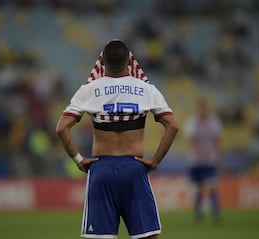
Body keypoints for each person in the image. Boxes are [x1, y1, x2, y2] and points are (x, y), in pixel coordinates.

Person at [56, 40, 178, 239]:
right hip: (134, 167)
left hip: (101, 168)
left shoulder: (88, 90)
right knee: (148, 236)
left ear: (102, 62)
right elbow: (173, 125)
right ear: (129, 61)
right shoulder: (146, 89)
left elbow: (61, 128)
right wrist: (155, 160)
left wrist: (79, 160)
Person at [183, 98, 222, 223]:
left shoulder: (214, 122)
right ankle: (198, 214)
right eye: (201, 108)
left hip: (210, 160)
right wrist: (200, 152)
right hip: (196, 161)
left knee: (211, 186)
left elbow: (217, 141)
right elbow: (190, 140)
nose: (202, 111)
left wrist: (219, 157)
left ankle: (216, 214)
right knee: (198, 188)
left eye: (204, 108)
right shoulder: (191, 122)